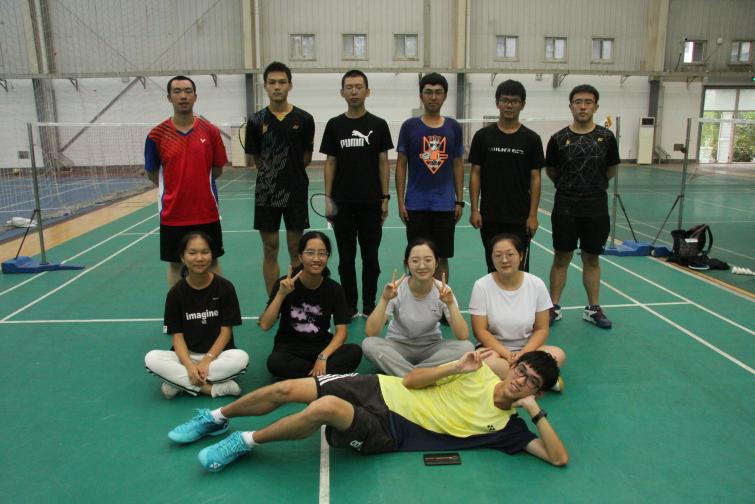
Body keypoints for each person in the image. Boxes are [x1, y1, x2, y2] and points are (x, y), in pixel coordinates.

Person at [166, 350, 568, 472]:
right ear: (514, 366)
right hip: (380, 387)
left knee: (325, 407)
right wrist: (453, 367)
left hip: (390, 430)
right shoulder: (475, 371)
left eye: (532, 382)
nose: (521, 381)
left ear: (537, 392)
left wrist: (536, 414)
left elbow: (557, 457)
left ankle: (244, 441)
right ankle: (216, 419)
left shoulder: (508, 428)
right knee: (287, 387)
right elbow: (411, 381)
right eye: (522, 371)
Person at [320, 70, 394, 318]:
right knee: (346, 259)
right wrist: (328, 199)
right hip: (342, 204)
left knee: (371, 258)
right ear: (342, 92)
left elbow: (383, 162)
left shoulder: (379, 125)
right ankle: (349, 305)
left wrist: (385, 198)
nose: (354, 91)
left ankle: (370, 304)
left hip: (371, 203)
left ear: (367, 91)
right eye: (349, 87)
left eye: (358, 86)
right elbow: (330, 163)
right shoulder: (334, 125)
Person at [545, 84, 619, 329]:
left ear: (596, 107)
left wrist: (592, 186)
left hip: (595, 207)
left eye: (588, 102)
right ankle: (553, 307)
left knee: (592, 258)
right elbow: (552, 171)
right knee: (561, 256)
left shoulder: (607, 138)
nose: (583, 106)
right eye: (578, 102)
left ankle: (593, 308)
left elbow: (611, 170)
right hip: (565, 206)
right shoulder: (557, 139)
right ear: (571, 106)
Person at [145, 76, 228, 287]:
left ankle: (216, 304)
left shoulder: (210, 132)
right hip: (173, 213)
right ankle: (178, 306)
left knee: (212, 261)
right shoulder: (156, 135)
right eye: (177, 91)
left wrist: (198, 184)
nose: (183, 96)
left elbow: (217, 169)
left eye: (188, 91)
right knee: (175, 264)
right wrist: (175, 188)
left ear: (195, 96)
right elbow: (153, 173)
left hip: (206, 210)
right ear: (169, 97)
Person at [145, 231, 248, 399]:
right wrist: (188, 365)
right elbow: (177, 336)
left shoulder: (225, 288)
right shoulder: (175, 294)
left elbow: (226, 331)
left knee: (241, 358)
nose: (199, 258)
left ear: (212, 255)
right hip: (186, 357)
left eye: (205, 252)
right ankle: (212, 389)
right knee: (152, 358)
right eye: (192, 253)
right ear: (183, 257)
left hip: (217, 356)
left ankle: (177, 383)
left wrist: (207, 360)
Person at [245, 62, 315, 295]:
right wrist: (272, 176)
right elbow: (257, 158)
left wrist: (289, 173)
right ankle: (273, 301)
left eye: (282, 82)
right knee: (270, 248)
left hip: (296, 190)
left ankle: (296, 300)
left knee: (296, 248)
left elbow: (306, 157)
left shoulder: (304, 119)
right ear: (265, 86)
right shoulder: (255, 121)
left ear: (290, 86)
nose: (277, 87)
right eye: (272, 82)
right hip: (266, 192)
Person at [362, 239, 474, 377]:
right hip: (398, 344)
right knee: (369, 344)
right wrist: (385, 299)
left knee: (467, 347)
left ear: (436, 263)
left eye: (428, 260)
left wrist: (450, 303)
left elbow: (463, 335)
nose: (422, 266)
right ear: (407, 263)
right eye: (415, 261)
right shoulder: (396, 289)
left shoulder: (443, 290)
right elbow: (371, 332)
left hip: (431, 345)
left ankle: (409, 375)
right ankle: (422, 376)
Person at [259, 231, 362, 379]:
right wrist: (281, 294)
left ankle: (308, 378)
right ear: (300, 256)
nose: (316, 259)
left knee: (354, 351)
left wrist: (323, 356)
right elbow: (265, 325)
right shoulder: (285, 284)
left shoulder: (334, 289)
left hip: (321, 348)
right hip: (290, 350)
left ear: (327, 257)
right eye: (310, 253)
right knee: (275, 362)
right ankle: (322, 378)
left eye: (322, 253)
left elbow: (341, 332)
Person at [469, 234, 566, 390]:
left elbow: (541, 329)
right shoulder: (481, 286)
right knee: (488, 362)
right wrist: (506, 354)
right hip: (495, 351)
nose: (504, 260)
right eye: (498, 255)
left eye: (510, 254)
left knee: (558, 354)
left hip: (528, 349)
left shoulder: (536, 284)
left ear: (521, 256)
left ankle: (511, 379)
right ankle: (536, 379)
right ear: (491, 258)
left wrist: (523, 353)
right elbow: (480, 331)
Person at [469, 80, 543, 273]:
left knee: (518, 268)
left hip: (520, 217)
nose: (509, 105)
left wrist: (533, 215)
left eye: (515, 101)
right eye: (505, 100)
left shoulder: (532, 139)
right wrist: (475, 210)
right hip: (490, 216)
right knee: (493, 266)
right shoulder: (483, 136)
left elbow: (536, 178)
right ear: (497, 103)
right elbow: (475, 173)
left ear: (522, 105)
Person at [396, 73, 464, 282]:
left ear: (445, 96)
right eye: (428, 92)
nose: (433, 97)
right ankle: (416, 299)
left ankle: (441, 298)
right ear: (421, 96)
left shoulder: (453, 127)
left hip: (444, 205)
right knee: (416, 257)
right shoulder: (409, 126)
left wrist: (459, 201)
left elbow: (457, 164)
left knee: (441, 258)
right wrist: (400, 202)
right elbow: (401, 164)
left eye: (438, 92)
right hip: (416, 205)